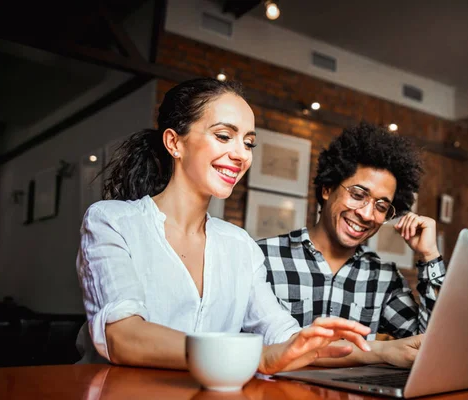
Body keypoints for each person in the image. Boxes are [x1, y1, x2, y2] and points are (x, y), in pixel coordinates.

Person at [75, 78, 419, 374]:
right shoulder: (112, 221)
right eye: (224, 136)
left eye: (249, 142)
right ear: (174, 142)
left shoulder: (239, 245)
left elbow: (284, 338)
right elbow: (124, 337)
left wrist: (383, 351)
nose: (241, 154)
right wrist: (259, 356)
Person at [257, 122, 446, 365]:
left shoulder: (384, 278)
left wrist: (429, 255)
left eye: (381, 206)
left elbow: (430, 345)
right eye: (358, 195)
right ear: (327, 188)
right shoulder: (263, 257)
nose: (367, 214)